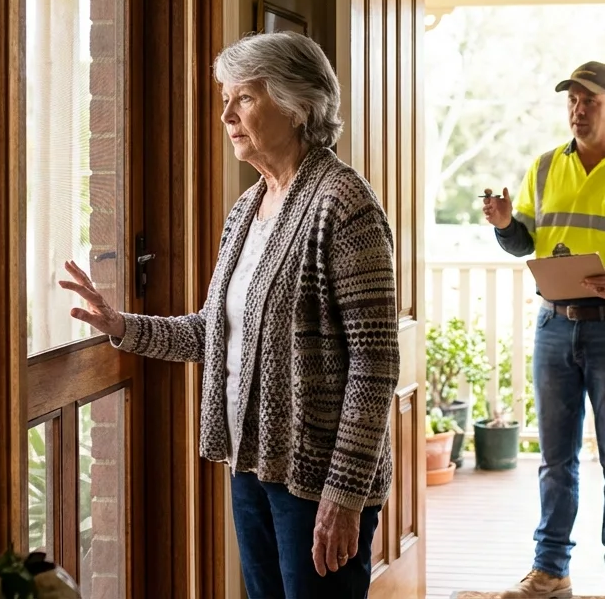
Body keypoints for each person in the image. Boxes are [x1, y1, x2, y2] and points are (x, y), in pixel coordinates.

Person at [60, 32, 399, 599]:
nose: (225, 115)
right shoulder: (248, 209)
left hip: (322, 480)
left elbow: (375, 362)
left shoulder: (345, 204)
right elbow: (212, 333)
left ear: (296, 105)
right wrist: (122, 326)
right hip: (252, 466)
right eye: (226, 98)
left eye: (243, 98)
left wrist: (344, 494)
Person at [482, 61, 605, 599]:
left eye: (589, 100)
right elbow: (526, 242)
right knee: (554, 460)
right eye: (572, 100)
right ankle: (550, 572)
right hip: (553, 328)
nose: (577, 109)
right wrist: (506, 225)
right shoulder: (546, 167)